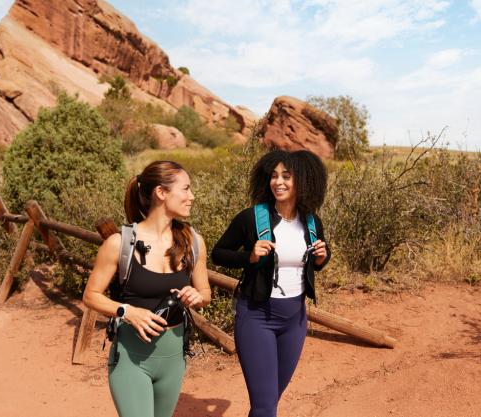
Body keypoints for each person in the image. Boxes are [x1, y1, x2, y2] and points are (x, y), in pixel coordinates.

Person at [83, 160, 211, 417]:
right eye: (185, 189)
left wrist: (197, 297)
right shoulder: (119, 243)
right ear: (161, 193)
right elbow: (90, 295)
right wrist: (126, 311)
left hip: (174, 358)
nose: (192, 196)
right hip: (131, 358)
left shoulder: (193, 242)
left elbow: (206, 293)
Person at [211, 150, 331, 417]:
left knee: (269, 402)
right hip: (256, 317)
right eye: (274, 176)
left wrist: (323, 257)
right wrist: (250, 256)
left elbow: (319, 259)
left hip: (295, 320)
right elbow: (218, 254)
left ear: (304, 181)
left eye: (286, 177)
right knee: (266, 407)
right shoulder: (251, 218)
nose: (278, 182)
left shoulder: (311, 222)